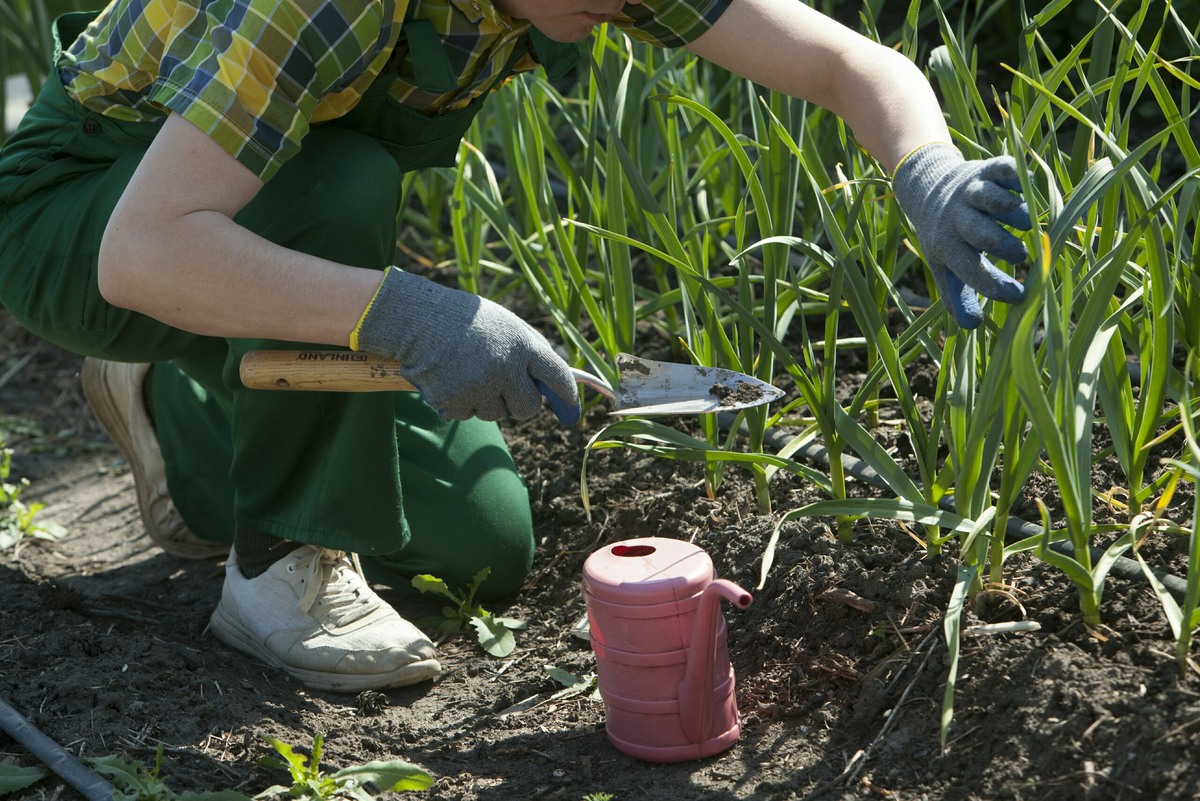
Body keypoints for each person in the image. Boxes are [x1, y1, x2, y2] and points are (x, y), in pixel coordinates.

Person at [0, 0, 1030, 693]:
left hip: (227, 230)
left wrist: (927, 169)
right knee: (343, 182)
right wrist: (414, 317)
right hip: (79, 220)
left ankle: (182, 410)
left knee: (474, 546)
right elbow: (142, 252)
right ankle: (274, 572)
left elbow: (845, 60)